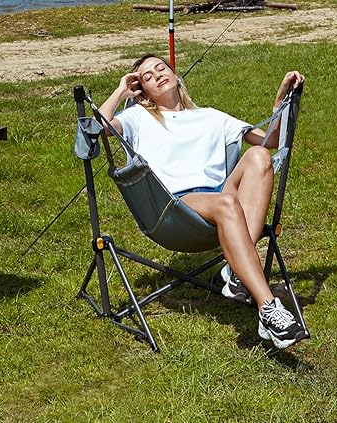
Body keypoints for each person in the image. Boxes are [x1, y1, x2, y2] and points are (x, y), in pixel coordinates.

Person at [99, 53, 307, 349]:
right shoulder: (137, 118)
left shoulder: (211, 116)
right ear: (143, 92)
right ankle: (268, 308)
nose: (158, 75)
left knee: (260, 156)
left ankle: (236, 272)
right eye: (148, 77)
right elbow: (98, 129)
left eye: (161, 68)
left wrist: (280, 100)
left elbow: (270, 141)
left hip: (220, 198)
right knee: (226, 203)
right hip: (173, 207)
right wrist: (121, 91)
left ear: (175, 76)